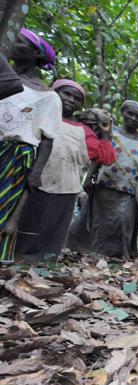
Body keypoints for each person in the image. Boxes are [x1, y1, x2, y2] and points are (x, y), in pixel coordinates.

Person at [14, 80, 116, 262]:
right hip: (31, 181)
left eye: (77, 98)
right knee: (26, 223)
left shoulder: (83, 131)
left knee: (53, 227)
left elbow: (106, 158)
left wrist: (106, 134)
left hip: (66, 186)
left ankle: (45, 263)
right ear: (53, 94)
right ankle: (17, 258)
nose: (71, 100)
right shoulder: (37, 114)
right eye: (66, 94)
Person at [0, 28, 61, 262]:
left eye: (19, 41)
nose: (11, 43)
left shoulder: (48, 96)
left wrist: (36, 172)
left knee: (4, 207)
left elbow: (48, 139)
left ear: (36, 54)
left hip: (16, 156)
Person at [72, 99, 138, 258]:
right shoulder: (111, 133)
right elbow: (98, 156)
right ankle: (92, 252)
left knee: (124, 222)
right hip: (105, 184)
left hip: (130, 189)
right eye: (130, 113)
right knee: (98, 221)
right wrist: (89, 178)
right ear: (123, 113)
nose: (132, 118)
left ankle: (120, 254)